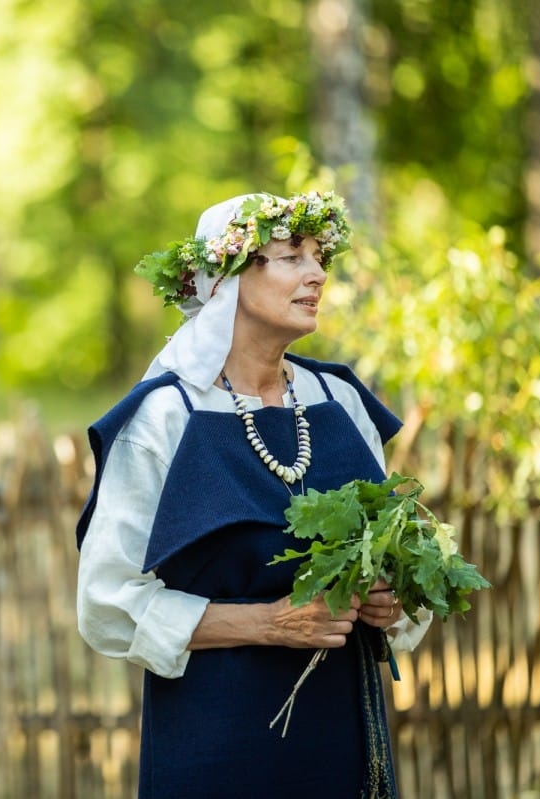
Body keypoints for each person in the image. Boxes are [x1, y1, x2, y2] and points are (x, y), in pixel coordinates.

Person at [75, 191, 433, 798]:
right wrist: (269, 624)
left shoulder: (338, 400)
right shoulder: (165, 416)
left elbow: (401, 560)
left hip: (343, 727)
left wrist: (390, 602)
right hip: (217, 735)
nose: (317, 273)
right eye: (292, 255)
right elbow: (106, 601)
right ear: (228, 276)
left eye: (320, 256)